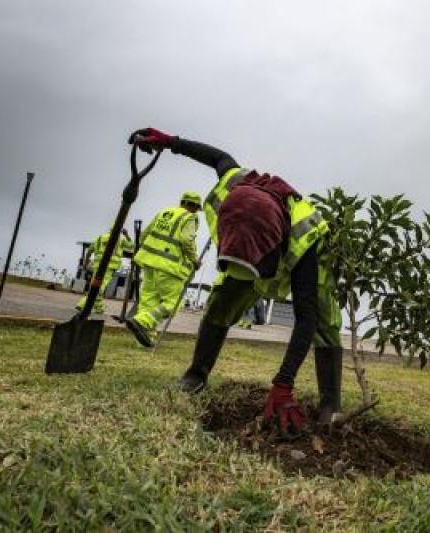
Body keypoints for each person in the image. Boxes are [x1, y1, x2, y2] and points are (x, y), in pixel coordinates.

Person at [129, 127, 344, 436]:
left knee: (323, 321)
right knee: (222, 300)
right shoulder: (234, 185)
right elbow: (218, 157)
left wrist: (283, 382)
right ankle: (196, 375)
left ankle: (330, 404)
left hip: (306, 259)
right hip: (247, 245)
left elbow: (305, 318)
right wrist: (171, 142)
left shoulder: (305, 235)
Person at [125, 192, 202, 347]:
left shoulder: (164, 213)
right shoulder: (189, 217)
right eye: (196, 208)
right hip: (170, 266)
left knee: (148, 301)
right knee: (173, 303)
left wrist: (140, 251)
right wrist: (195, 260)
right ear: (192, 205)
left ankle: (145, 340)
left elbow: (145, 234)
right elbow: (187, 240)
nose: (196, 211)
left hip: (149, 263)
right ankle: (142, 321)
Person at [76, 229, 133, 314]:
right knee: (99, 288)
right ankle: (82, 304)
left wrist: (86, 263)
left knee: (95, 286)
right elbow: (131, 246)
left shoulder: (101, 237)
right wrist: (127, 235)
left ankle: (99, 308)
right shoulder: (120, 240)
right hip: (109, 267)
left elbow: (90, 250)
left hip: (98, 265)